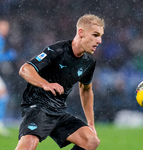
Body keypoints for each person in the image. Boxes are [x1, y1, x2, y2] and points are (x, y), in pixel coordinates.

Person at [15, 14, 104, 150]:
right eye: (96, 35)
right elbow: (25, 69)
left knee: (91, 141)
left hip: (58, 111)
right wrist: (46, 84)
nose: (100, 41)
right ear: (81, 33)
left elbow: (86, 90)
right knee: (27, 146)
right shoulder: (57, 50)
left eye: (100, 36)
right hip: (37, 106)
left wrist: (91, 123)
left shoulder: (89, 61)